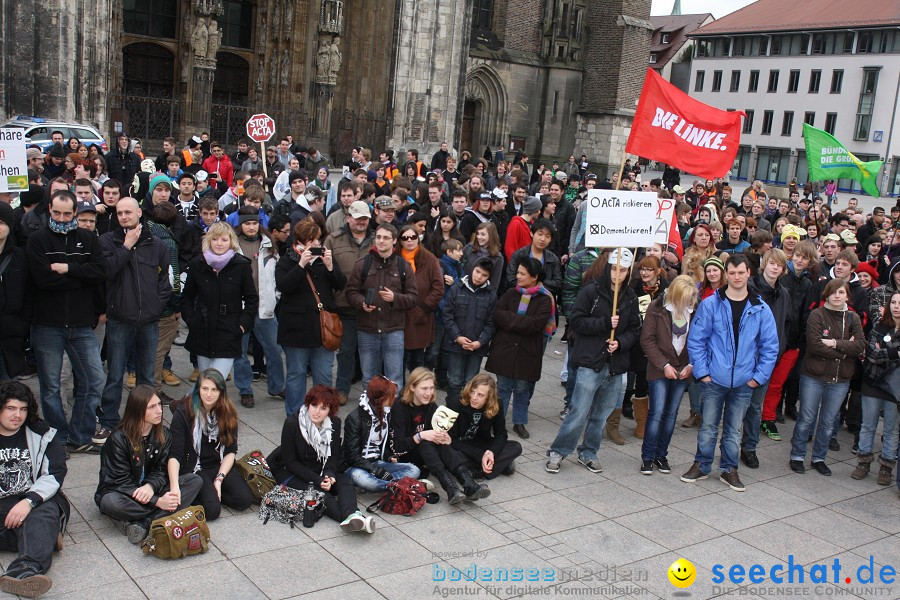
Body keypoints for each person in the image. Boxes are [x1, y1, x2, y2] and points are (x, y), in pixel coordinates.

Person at [681, 254, 779, 492]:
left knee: (734, 429)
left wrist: (758, 378)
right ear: (726, 274)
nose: (736, 277)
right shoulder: (711, 304)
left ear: (748, 274)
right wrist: (703, 372)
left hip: (745, 382)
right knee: (708, 426)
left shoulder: (760, 308)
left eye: (741, 273)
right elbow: (696, 340)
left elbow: (770, 346)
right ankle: (702, 464)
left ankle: (728, 468)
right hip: (714, 379)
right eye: (732, 273)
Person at [26, 190, 107, 454]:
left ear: (75, 212)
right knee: (50, 386)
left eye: (67, 213)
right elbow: (42, 280)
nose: (61, 218)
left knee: (94, 380)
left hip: (82, 324)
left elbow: (99, 272)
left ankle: (80, 434)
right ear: (49, 209)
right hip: (48, 324)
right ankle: (57, 437)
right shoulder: (37, 240)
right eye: (57, 212)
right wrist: (80, 278)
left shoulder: (87, 237)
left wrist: (67, 269)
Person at [545, 249, 639, 474]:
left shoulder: (630, 297)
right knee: (579, 410)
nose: (618, 274)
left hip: (615, 365)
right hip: (590, 360)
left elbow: (635, 329)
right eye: (615, 269)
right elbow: (576, 321)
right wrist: (605, 322)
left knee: (601, 414)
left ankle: (588, 452)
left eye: (623, 270)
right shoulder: (591, 292)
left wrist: (621, 343)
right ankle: (558, 450)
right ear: (608, 268)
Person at [97, 198, 172, 443]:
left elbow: (165, 281)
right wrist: (126, 247)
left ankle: (145, 420)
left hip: (149, 320)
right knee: (115, 373)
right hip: (120, 319)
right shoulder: (108, 240)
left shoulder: (156, 243)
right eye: (119, 213)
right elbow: (106, 271)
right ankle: (109, 421)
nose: (124, 216)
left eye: (128, 212)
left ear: (140, 212)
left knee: (147, 376)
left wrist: (155, 306)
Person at [95, 386, 202, 544]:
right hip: (124, 492)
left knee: (194, 481)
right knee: (110, 502)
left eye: (159, 405)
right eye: (152, 407)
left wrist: (150, 487)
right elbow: (119, 481)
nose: (159, 410)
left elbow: (162, 470)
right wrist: (157, 501)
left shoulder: (164, 434)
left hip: (153, 489)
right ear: (138, 410)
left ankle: (144, 522)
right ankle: (160, 514)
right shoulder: (118, 439)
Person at [267, 385, 375, 533]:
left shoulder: (335, 423)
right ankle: (354, 517)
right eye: (314, 405)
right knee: (320, 493)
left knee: (344, 481)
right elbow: (289, 462)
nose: (316, 412)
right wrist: (318, 480)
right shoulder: (292, 423)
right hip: (290, 472)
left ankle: (354, 517)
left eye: (323, 408)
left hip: (319, 468)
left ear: (330, 411)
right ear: (308, 404)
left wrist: (329, 473)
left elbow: (333, 456)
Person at [0, 382, 69, 598]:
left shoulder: (42, 433)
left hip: (29, 501)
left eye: (22, 409)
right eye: (11, 408)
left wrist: (28, 502)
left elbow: (55, 473)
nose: (17, 415)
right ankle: (44, 538)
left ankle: (25, 571)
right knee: (38, 530)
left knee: (45, 513)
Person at [789, 279, 865, 475]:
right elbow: (814, 345)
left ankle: (819, 458)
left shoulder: (853, 318)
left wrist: (833, 343)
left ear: (847, 295)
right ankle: (797, 455)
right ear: (827, 295)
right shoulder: (817, 315)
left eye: (841, 292)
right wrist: (844, 349)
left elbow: (859, 346)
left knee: (829, 420)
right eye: (833, 292)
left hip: (840, 379)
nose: (837, 296)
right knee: (806, 418)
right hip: (814, 375)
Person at [275, 218, 346, 416]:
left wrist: (331, 267)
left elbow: (340, 283)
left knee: (323, 374)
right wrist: (301, 265)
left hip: (323, 330)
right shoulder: (287, 260)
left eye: (317, 240)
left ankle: (322, 411)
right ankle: (294, 415)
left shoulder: (323, 260)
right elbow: (283, 286)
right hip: (296, 330)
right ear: (299, 241)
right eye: (311, 241)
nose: (315, 244)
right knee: (296, 374)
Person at [390, 368, 487, 504]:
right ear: (412, 387)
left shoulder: (430, 405)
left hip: (427, 453)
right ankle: (450, 488)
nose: (428, 393)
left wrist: (444, 437)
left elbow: (438, 431)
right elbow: (397, 446)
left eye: (431, 388)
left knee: (440, 444)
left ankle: (469, 484)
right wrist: (421, 435)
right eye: (424, 388)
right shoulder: (400, 407)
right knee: (425, 442)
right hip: (406, 455)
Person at [167, 370, 253, 520]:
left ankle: (212, 494)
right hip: (195, 467)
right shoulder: (184, 412)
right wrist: (174, 486)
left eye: (214, 390)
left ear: (221, 392)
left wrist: (220, 479)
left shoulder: (228, 412)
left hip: (217, 463)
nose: (209, 394)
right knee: (212, 512)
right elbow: (175, 454)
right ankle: (204, 496)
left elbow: (231, 451)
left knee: (244, 500)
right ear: (198, 389)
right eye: (205, 388)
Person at [486, 258, 555, 440]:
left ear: (534, 277)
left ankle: (519, 422)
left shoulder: (544, 298)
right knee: (503, 388)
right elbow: (499, 314)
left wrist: (511, 321)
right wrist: (519, 322)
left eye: (522, 274)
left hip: (527, 351)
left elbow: (536, 324)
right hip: (505, 349)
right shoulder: (510, 293)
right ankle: (496, 421)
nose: (518, 276)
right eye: (517, 272)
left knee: (523, 389)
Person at [181, 222, 259, 378]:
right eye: (215, 239)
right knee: (205, 382)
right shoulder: (198, 264)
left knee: (215, 380)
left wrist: (242, 325)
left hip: (229, 331)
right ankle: (193, 402)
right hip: (202, 330)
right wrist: (191, 319)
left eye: (224, 240)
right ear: (209, 240)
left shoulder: (241, 265)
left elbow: (251, 299)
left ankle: (193, 402)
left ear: (231, 242)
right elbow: (187, 296)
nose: (219, 243)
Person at [346, 224, 419, 387]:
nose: (381, 241)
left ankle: (393, 412)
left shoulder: (403, 266)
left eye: (386, 238)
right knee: (369, 380)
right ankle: (369, 411)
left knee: (395, 380)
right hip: (367, 329)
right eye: (378, 237)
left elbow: (413, 297)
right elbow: (350, 292)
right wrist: (362, 303)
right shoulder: (362, 264)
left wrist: (395, 298)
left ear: (394, 241)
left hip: (393, 330)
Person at [739, 249, 792, 469]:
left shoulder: (785, 294)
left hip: (766, 360)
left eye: (779, 265)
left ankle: (749, 448)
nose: (774, 267)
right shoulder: (748, 287)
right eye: (771, 263)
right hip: (743, 357)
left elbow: (786, 323)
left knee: (755, 407)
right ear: (764, 264)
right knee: (737, 406)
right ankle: (730, 446)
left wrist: (779, 350)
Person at [639, 275, 697, 474]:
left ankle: (661, 455)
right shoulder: (657, 308)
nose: (687, 303)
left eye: (690, 298)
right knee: (656, 413)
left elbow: (701, 341)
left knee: (671, 414)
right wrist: (664, 365)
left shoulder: (696, 310)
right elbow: (647, 340)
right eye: (684, 298)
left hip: (683, 369)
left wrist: (691, 365)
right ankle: (647, 457)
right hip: (659, 368)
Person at [325, 201, 373, 401]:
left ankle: (372, 391)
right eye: (357, 217)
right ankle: (342, 389)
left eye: (365, 218)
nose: (361, 222)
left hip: (372, 306)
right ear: (348, 218)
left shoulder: (377, 239)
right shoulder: (334, 240)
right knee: (346, 351)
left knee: (370, 352)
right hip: (344, 304)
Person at [852, 290, 900, 484]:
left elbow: (880, 353)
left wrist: (884, 352)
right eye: (894, 302)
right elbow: (871, 353)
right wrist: (895, 353)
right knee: (868, 425)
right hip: (872, 382)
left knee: (891, 429)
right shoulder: (880, 326)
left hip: (894, 389)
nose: (896, 306)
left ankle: (886, 467)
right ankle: (863, 462)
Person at [343, 376, 422, 493]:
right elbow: (352, 456)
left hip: (378, 462)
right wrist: (375, 470)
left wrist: (388, 456)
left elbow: (379, 445)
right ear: (381, 398)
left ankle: (388, 485)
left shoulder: (386, 413)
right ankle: (398, 486)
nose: (395, 398)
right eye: (392, 395)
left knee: (414, 470)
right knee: (366, 481)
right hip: (357, 467)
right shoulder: (355, 418)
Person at [442, 258, 498, 405]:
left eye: (484, 275)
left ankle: (467, 411)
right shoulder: (456, 288)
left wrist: (480, 342)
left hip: (477, 347)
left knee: (471, 381)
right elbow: (447, 316)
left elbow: (491, 324)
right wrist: (457, 337)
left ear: (489, 277)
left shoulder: (491, 295)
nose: (479, 277)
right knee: (454, 380)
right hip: (456, 344)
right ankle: (451, 410)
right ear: (472, 268)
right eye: (477, 271)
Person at [449, 374, 522, 478]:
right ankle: (496, 466)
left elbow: (501, 434)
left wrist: (491, 452)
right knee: (448, 454)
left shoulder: (497, 404)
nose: (474, 397)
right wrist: (480, 455)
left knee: (516, 447)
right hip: (461, 446)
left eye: (480, 395)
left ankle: (476, 469)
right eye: (472, 392)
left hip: (480, 443)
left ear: (489, 397)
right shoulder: (456, 402)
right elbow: (451, 440)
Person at [397, 224, 444, 372]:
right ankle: (399, 391)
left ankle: (415, 391)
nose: (409, 240)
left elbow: (438, 287)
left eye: (413, 237)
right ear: (400, 240)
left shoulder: (429, 258)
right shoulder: (394, 257)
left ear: (418, 238)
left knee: (417, 360)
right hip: (398, 315)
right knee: (397, 360)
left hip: (420, 316)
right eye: (405, 238)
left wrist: (423, 308)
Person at [0, 204, 29, 382]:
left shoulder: (20, 257)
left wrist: (23, 325)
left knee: (9, 391)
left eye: (2, 222)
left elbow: (29, 293)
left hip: (10, 337)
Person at [462, 222, 504, 293]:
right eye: (478, 234)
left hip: (481, 295)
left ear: (491, 236)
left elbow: (494, 284)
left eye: (483, 234)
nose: (479, 237)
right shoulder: (469, 248)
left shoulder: (498, 258)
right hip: (462, 290)